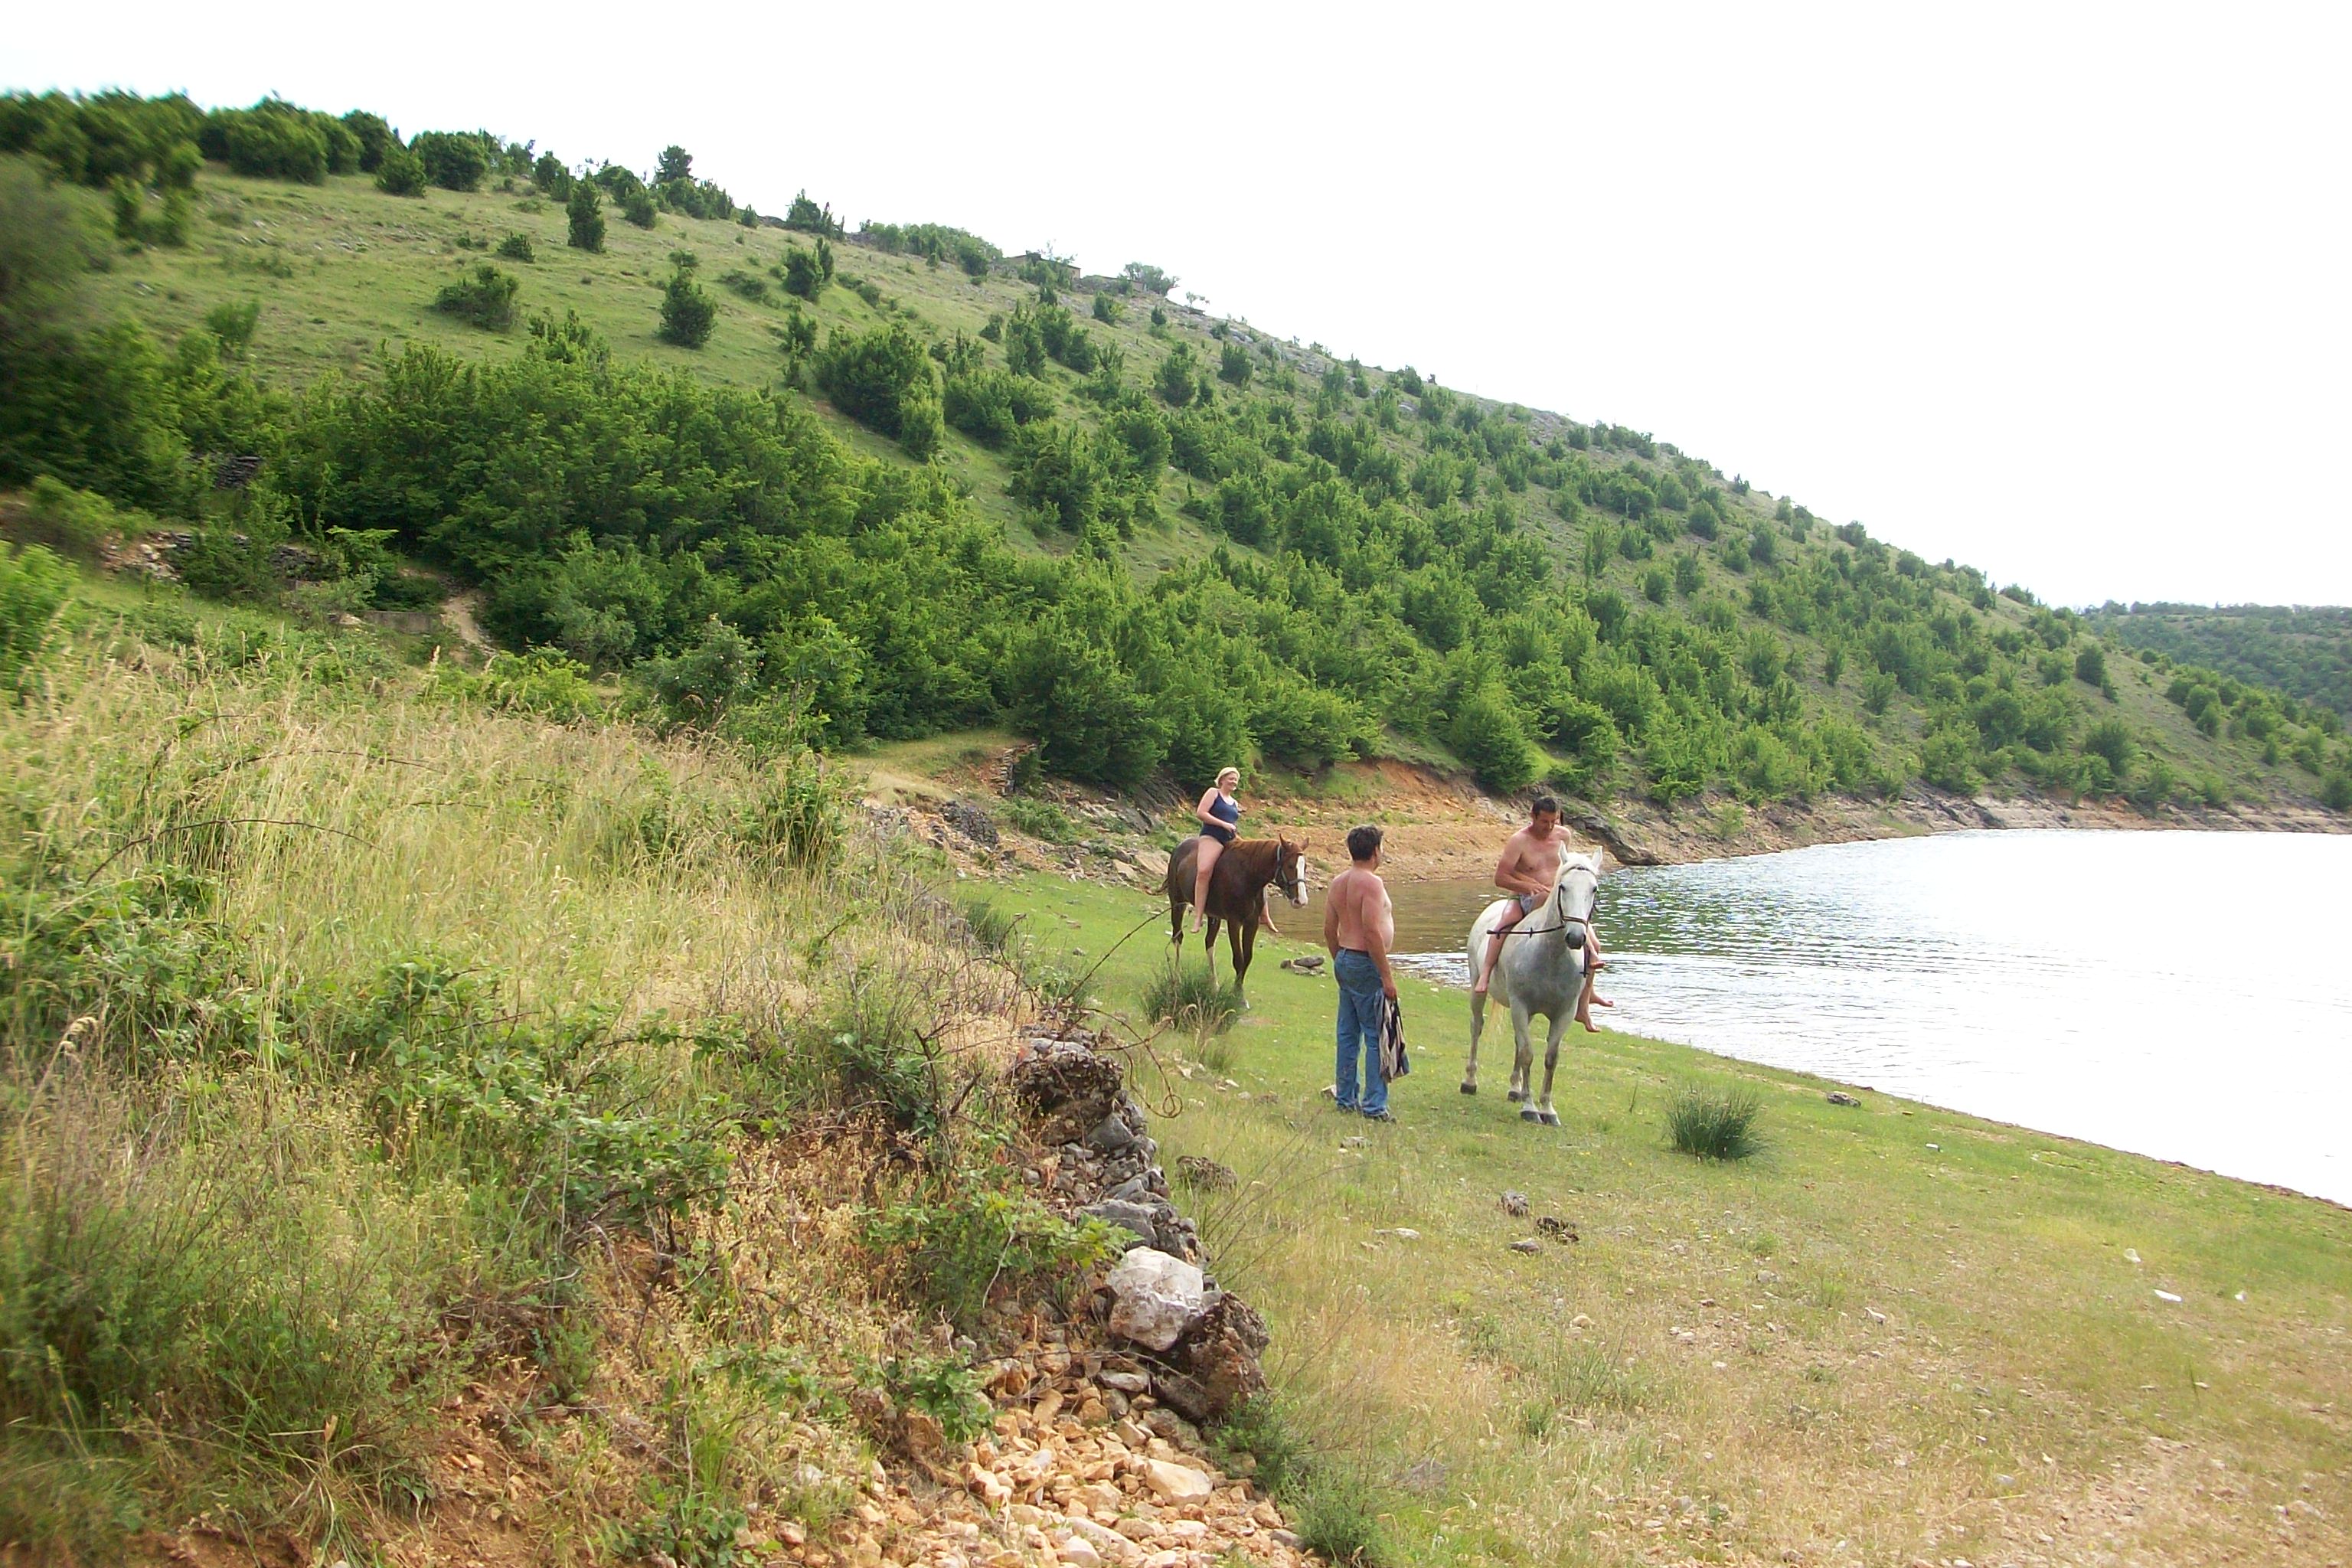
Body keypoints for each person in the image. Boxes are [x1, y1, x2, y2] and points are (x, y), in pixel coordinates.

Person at [1472, 795, 1614, 1029]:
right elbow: (1501, 877)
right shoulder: (1519, 841)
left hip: (1556, 899)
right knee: (1502, 926)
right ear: (1533, 817)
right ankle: (1486, 973)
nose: (1549, 827)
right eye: (1544, 821)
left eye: (1553, 821)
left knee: (1594, 944)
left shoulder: (1563, 836)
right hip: (1525, 897)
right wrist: (1528, 885)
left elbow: (1565, 867)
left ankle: (1586, 998)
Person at [1324, 823, 1400, 1121]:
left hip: (1345, 956)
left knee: (1347, 1033)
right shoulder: (1371, 883)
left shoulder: (1338, 882)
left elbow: (1329, 929)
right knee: (1375, 1034)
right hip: (1365, 961)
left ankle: (1345, 1098)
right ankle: (1374, 1105)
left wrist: (1339, 960)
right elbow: (1371, 931)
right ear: (1376, 851)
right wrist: (1386, 976)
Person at [1188, 766, 1243, 933]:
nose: (1234, 782)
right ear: (1222, 780)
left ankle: (1263, 915)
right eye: (1231, 778)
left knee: (1253, 864)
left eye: (1236, 779)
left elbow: (1232, 824)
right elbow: (1201, 813)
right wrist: (1223, 824)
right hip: (1212, 837)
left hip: (1230, 839)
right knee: (1204, 871)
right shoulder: (1213, 793)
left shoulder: (1235, 803)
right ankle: (1198, 917)